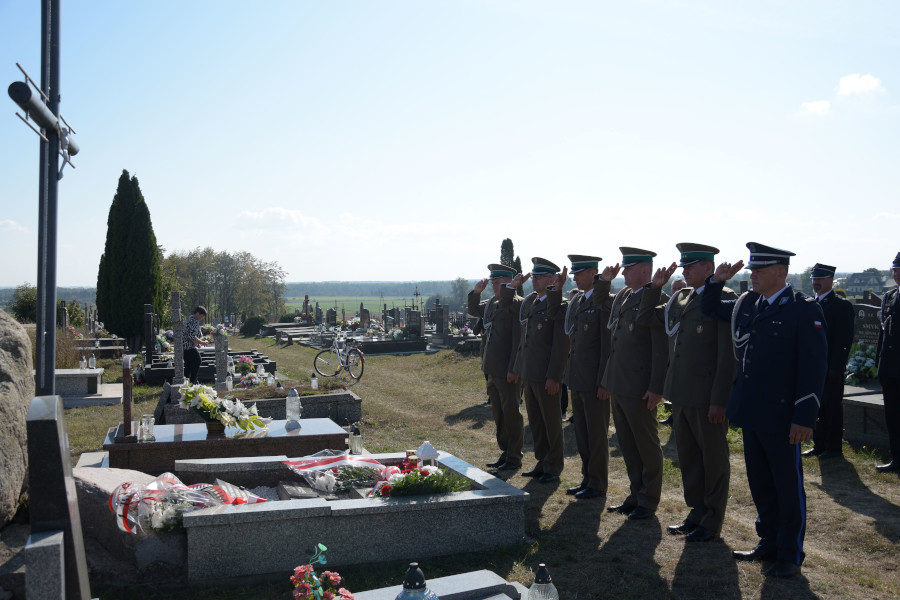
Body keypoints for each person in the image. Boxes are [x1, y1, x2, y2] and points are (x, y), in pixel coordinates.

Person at [701, 242, 826, 578]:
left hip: (783, 416)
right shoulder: (747, 304)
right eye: (752, 269)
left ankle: (789, 553)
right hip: (752, 410)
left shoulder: (803, 309)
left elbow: (814, 368)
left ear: (780, 272)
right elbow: (711, 307)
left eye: (759, 269)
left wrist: (804, 417)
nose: (752, 274)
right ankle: (768, 541)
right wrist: (715, 281)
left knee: (787, 486)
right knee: (760, 482)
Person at [638, 243, 737, 542]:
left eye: (691, 265)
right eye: (684, 266)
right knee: (690, 459)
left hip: (706, 396)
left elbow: (726, 356)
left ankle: (712, 520)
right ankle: (696, 512)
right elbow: (646, 319)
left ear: (709, 268)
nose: (685, 271)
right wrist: (655, 288)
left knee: (713, 460)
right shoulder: (681, 298)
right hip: (680, 393)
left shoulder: (725, 299)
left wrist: (719, 400)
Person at [600, 247, 668, 520]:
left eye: (628, 268)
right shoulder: (626, 297)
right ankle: (636, 493)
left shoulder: (658, 299)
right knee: (628, 443)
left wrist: (656, 387)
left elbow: (660, 349)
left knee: (646, 444)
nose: (624, 272)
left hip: (640, 387)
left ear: (644, 270)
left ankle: (648, 500)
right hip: (620, 382)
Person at [546, 255, 613, 500]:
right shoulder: (580, 300)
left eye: (579, 272)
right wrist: (558, 289)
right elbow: (554, 314)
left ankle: (598, 484)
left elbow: (607, 346)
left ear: (592, 273)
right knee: (583, 434)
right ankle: (588, 479)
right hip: (578, 378)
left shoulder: (602, 302)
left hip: (594, 381)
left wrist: (604, 381)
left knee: (596, 435)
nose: (574, 277)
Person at [507, 258, 569, 483]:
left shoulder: (559, 305)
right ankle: (542, 461)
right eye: (533, 276)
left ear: (553, 279)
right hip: (530, 372)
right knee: (536, 422)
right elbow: (508, 307)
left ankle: (554, 466)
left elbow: (560, 345)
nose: (534, 280)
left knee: (551, 422)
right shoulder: (531, 302)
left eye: (540, 276)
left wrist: (555, 376)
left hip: (545, 375)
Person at [468, 265, 525, 473]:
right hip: (492, 368)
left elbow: (518, 340)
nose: (492, 285)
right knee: (499, 413)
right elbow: (474, 310)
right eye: (492, 282)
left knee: (511, 413)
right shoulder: (492, 302)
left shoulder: (517, 304)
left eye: (497, 281)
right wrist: (476, 292)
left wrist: (514, 368)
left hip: (508, 369)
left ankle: (515, 456)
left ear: (510, 282)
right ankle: (506, 451)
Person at [804, 263, 855, 460]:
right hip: (813, 367)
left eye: (821, 279)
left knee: (832, 407)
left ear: (830, 280)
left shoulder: (841, 306)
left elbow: (844, 339)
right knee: (816, 406)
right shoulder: (810, 304)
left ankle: (833, 447)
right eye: (814, 279)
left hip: (830, 367)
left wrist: (836, 367)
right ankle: (819, 444)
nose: (816, 283)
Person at [876, 252, 900, 472]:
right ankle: (896, 458)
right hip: (890, 367)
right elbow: (884, 334)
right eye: (895, 270)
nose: (897, 274)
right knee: (892, 415)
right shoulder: (890, 296)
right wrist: (878, 363)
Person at [183, 305, 208, 384]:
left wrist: (197, 343)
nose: (202, 318)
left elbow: (190, 334)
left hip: (185, 347)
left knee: (188, 365)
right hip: (189, 347)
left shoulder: (190, 318)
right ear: (197, 313)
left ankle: (187, 382)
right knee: (197, 360)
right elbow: (192, 336)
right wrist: (202, 342)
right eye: (201, 316)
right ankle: (193, 381)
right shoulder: (194, 321)